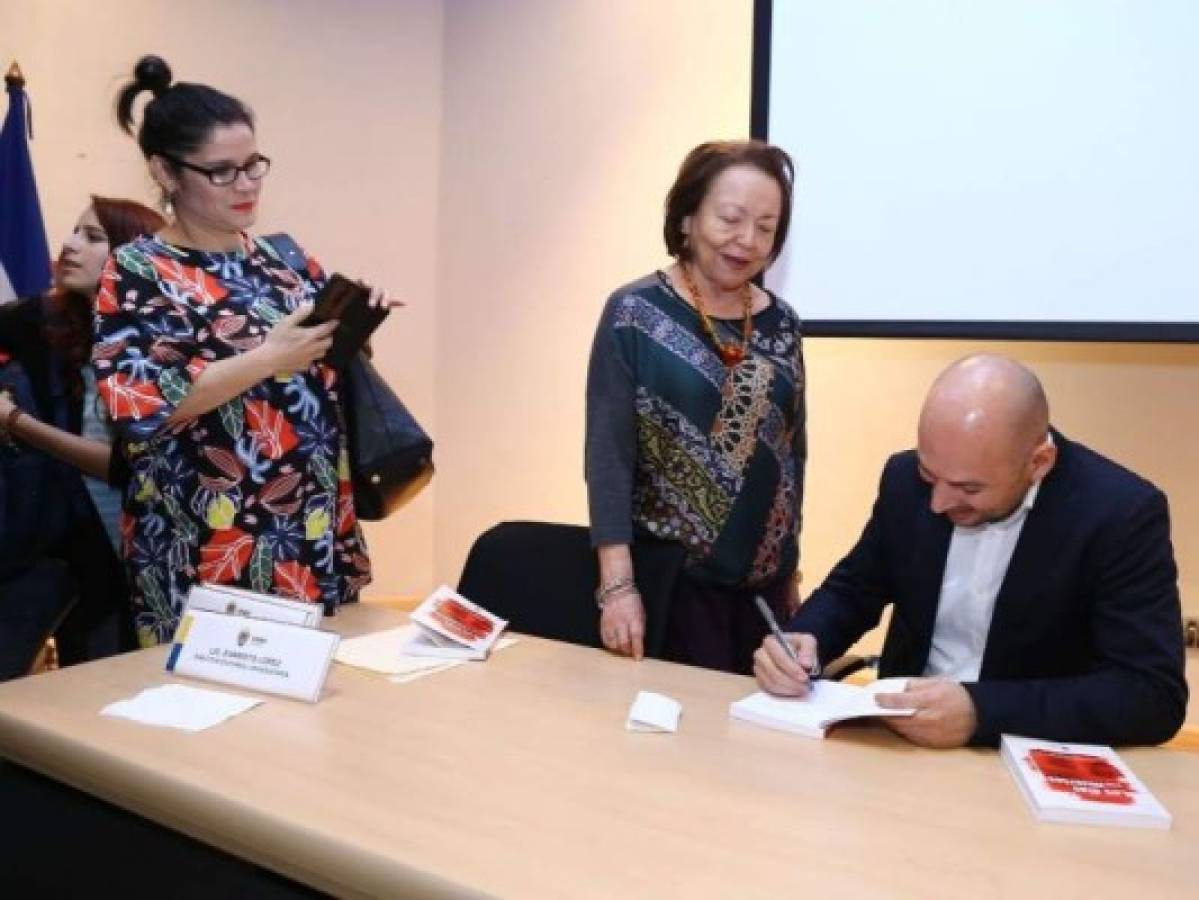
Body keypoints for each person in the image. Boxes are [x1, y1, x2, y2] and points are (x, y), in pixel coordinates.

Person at [94, 55, 391, 645]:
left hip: (306, 522)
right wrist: (266, 358)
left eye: (254, 164)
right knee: (204, 718)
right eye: (222, 171)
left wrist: (354, 322)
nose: (248, 183)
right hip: (207, 533)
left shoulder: (279, 256)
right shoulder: (137, 269)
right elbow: (139, 408)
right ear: (166, 171)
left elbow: (316, 367)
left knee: (305, 717)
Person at [754, 354, 1188, 748]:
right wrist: (804, 640)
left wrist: (982, 711)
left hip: (1027, 751)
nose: (939, 503)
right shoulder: (905, 479)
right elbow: (855, 589)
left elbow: (1150, 694)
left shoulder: (1119, 513)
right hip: (899, 744)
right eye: (930, 474)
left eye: (969, 488)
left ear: (1039, 463)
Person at [585, 140, 805, 675]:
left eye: (766, 227)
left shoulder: (783, 322)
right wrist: (618, 588)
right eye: (730, 218)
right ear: (686, 218)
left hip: (763, 595)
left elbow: (793, 454)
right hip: (671, 590)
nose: (746, 241)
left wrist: (792, 575)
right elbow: (609, 457)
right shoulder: (634, 312)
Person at [0, 196, 164, 675]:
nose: (69, 245)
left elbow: (120, 465)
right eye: (74, 231)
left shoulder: (154, 344)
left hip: (134, 555)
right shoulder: (41, 326)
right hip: (59, 545)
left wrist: (16, 424)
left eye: (93, 237)